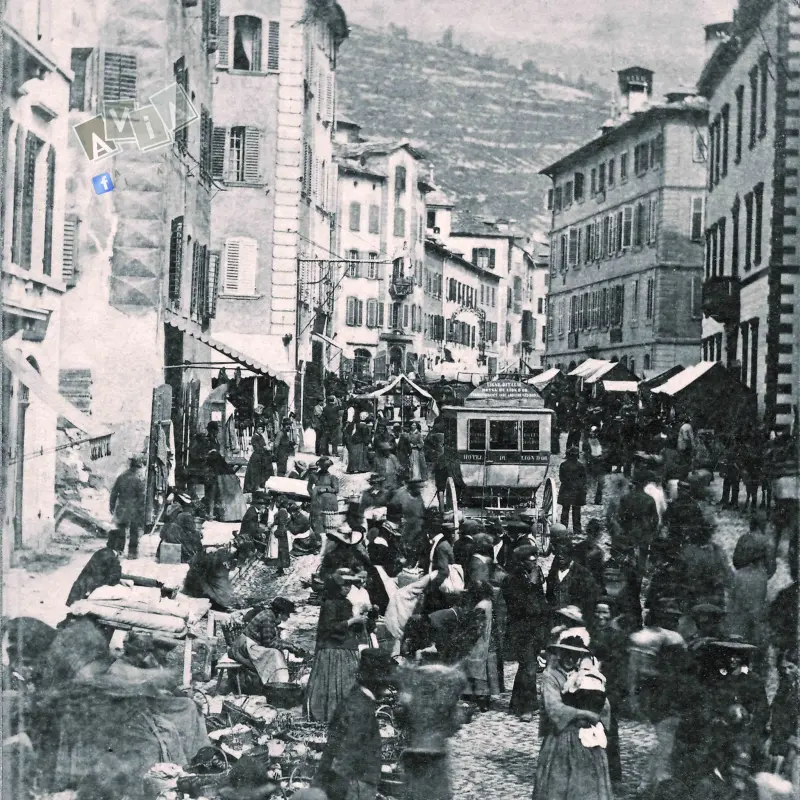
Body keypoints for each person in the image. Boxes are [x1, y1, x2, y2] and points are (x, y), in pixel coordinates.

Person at [532, 634, 613, 800]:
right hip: (562, 736)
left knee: (587, 784)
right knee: (559, 782)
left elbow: (604, 704)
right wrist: (582, 713)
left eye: (575, 655)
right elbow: (553, 707)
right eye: (567, 653)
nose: (570, 658)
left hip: (586, 736)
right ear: (560, 654)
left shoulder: (586, 674)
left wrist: (596, 714)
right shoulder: (551, 676)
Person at [312, 650, 397, 800]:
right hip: (355, 788)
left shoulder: (355, 698)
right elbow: (344, 759)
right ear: (379, 680)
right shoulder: (360, 709)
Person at [306, 570, 368, 722]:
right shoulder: (330, 603)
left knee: (346, 680)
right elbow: (329, 627)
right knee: (335, 681)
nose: (348, 589)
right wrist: (353, 621)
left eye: (349, 586)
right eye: (344, 586)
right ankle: (331, 713)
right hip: (332, 648)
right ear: (336, 587)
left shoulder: (344, 602)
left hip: (344, 645)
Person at [503, 543, 549, 720]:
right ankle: (526, 708)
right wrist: (532, 582)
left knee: (526, 666)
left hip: (535, 628)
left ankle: (517, 703)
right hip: (521, 630)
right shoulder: (513, 580)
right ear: (522, 562)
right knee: (529, 667)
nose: (536, 563)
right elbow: (522, 606)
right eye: (532, 560)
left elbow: (540, 601)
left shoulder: (532, 576)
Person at [230, 597, 307, 687]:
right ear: (281, 613)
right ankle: (278, 683)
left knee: (277, 652)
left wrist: (290, 646)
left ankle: (277, 681)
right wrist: (289, 647)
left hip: (250, 644)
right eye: (287, 614)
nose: (288, 617)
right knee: (275, 654)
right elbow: (269, 643)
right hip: (244, 647)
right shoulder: (268, 618)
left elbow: (272, 639)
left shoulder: (270, 614)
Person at [546, 524, 600, 620]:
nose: (560, 557)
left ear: (570, 555)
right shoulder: (555, 569)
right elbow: (550, 593)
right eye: (557, 554)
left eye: (563, 554)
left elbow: (590, 598)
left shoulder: (582, 573)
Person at [66, 530, 125, 606]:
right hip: (87, 592)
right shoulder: (111, 557)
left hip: (80, 589)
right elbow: (113, 581)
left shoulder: (102, 552)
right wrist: (119, 562)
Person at [109, 455, 146, 559]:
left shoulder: (121, 477)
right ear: (136, 467)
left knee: (121, 530)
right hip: (134, 508)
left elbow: (114, 493)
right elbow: (142, 497)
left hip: (122, 507)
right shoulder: (138, 480)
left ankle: (119, 551)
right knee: (134, 531)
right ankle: (132, 553)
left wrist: (111, 506)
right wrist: (141, 510)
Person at [388, 477, 426, 565]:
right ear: (412, 487)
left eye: (421, 487)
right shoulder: (399, 495)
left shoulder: (418, 495)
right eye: (419, 487)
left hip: (417, 525)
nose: (421, 489)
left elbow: (422, 509)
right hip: (404, 526)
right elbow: (391, 511)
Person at [158, 492, 202, 563]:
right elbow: (192, 529)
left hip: (166, 534)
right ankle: (197, 555)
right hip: (175, 535)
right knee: (195, 536)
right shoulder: (186, 515)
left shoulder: (174, 509)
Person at [205, 449, 248, 522]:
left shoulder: (217, 473)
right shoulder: (228, 469)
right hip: (239, 511)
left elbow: (212, 493)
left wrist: (211, 513)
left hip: (227, 509)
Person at [559, 446, 587, 534]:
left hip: (566, 490)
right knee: (577, 511)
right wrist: (579, 486)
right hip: (577, 491)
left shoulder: (563, 465)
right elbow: (584, 479)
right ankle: (577, 530)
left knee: (565, 510)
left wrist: (569, 484)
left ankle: (563, 528)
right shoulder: (580, 466)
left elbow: (561, 478)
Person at [309, 456, 339, 538]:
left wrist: (325, 490)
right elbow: (309, 487)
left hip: (329, 503)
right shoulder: (314, 475)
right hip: (317, 502)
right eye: (322, 466)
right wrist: (313, 495)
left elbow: (336, 489)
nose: (324, 468)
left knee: (328, 522)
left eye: (326, 466)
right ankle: (318, 537)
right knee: (317, 520)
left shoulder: (332, 477)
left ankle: (328, 538)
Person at [243, 423, 273, 493]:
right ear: (256, 429)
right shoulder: (255, 437)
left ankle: (258, 485)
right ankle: (253, 487)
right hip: (256, 457)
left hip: (261, 456)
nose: (260, 430)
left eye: (261, 429)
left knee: (259, 472)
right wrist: (265, 448)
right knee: (254, 473)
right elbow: (257, 447)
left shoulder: (260, 436)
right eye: (259, 429)